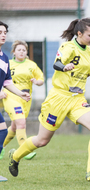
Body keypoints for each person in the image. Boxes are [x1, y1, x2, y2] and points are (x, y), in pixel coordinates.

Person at [8, 17, 90, 182]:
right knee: (42, 140)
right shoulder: (68, 47)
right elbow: (56, 63)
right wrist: (64, 67)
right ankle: (15, 156)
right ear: (79, 33)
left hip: (77, 99)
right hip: (58, 98)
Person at [0, 40, 44, 161]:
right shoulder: (7, 63)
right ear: (13, 52)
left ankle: (1, 147)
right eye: (19, 50)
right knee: (21, 123)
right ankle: (24, 150)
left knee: (14, 127)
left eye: (24, 50)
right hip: (10, 97)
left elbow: (41, 79)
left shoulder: (31, 65)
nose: (22, 52)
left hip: (25, 99)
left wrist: (37, 82)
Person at [0, 21, 31, 182]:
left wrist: (21, 94)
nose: (3, 35)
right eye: (0, 32)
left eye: (5, 32)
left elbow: (7, 83)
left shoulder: (4, 58)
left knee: (3, 132)